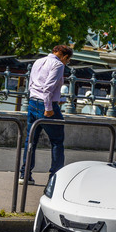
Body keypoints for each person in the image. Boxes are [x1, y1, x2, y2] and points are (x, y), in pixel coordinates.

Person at [19, 45, 73, 185]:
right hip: (46, 105)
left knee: (31, 140)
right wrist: (49, 107)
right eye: (68, 60)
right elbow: (48, 88)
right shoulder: (58, 65)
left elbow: (32, 84)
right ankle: (54, 177)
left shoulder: (38, 61)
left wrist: (57, 99)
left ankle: (25, 174)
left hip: (33, 102)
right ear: (65, 56)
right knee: (57, 141)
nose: (67, 63)